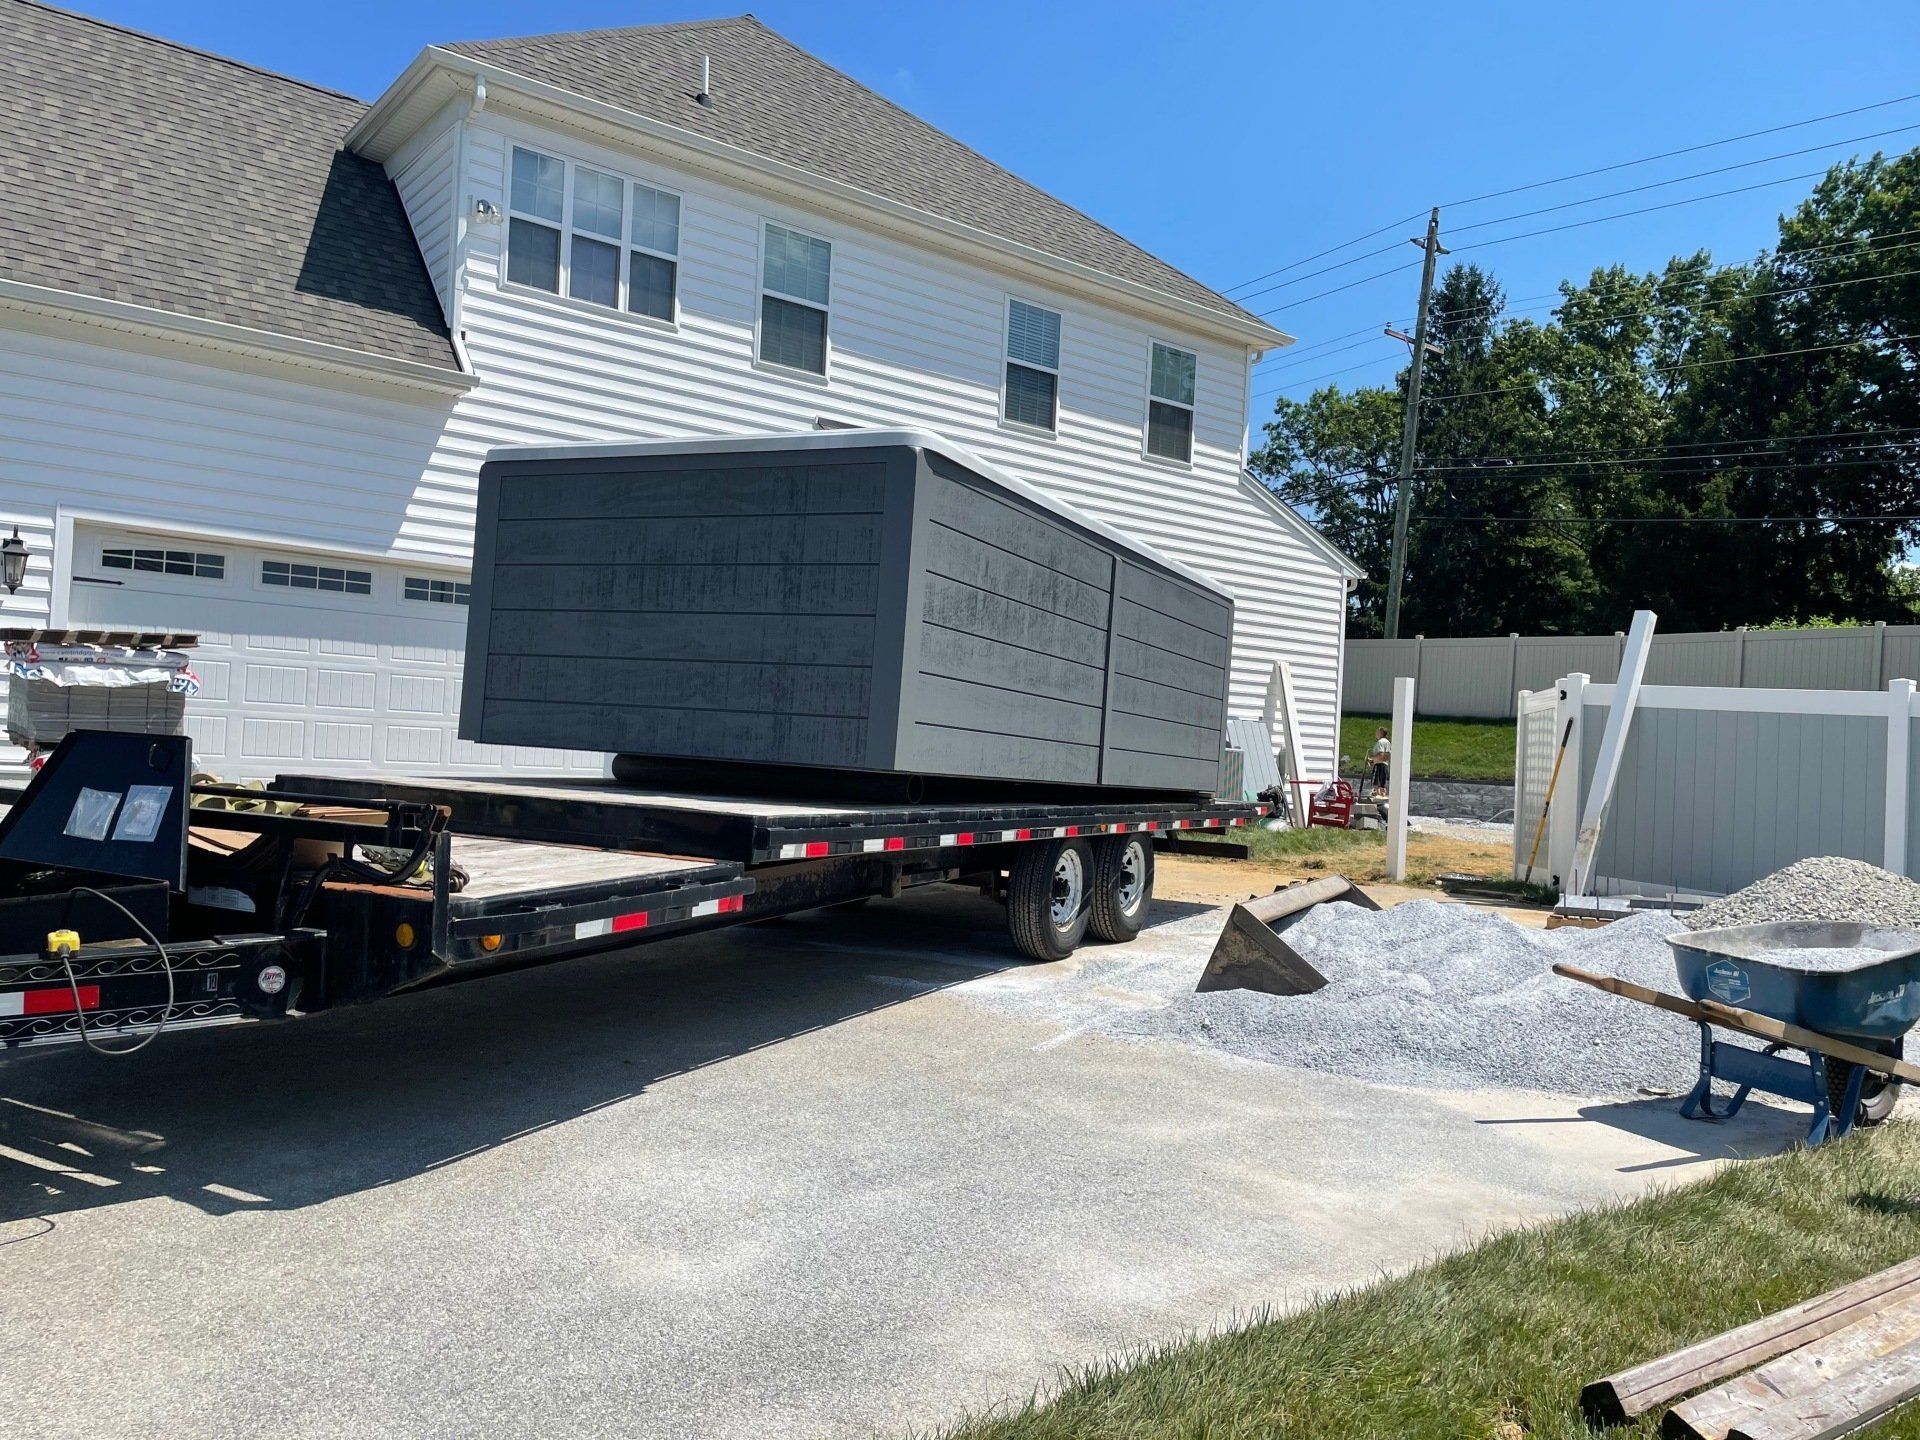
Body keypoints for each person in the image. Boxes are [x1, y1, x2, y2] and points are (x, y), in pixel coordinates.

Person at [1369, 726, 1391, 797]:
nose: (1376, 733)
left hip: (1378, 765)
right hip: (1385, 766)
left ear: (1381, 732)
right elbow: (1387, 756)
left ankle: (1376, 800)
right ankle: (1382, 799)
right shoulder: (1388, 742)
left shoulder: (1380, 742)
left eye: (1377, 732)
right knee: (1382, 785)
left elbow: (1381, 754)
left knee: (1376, 785)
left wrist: (1372, 760)